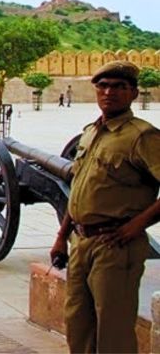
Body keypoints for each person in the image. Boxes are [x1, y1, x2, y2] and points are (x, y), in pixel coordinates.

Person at [49, 61, 160, 353]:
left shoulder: (141, 136)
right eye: (103, 86)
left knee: (113, 333)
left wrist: (137, 226)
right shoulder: (91, 132)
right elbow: (79, 190)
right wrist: (62, 237)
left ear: (134, 93)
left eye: (119, 87)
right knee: (78, 326)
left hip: (115, 245)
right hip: (81, 242)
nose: (109, 92)